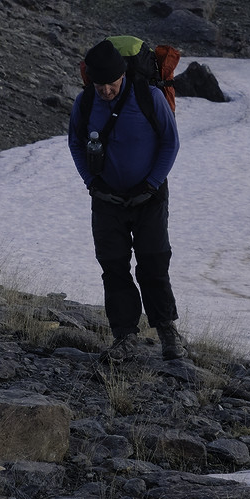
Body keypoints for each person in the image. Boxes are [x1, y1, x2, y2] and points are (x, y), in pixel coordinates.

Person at [68, 37, 183, 361]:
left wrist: (151, 184)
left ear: (123, 76)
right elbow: (76, 144)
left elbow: (170, 143)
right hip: (106, 199)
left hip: (149, 197)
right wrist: (91, 182)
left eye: (112, 83)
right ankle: (124, 337)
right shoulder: (85, 102)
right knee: (113, 266)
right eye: (100, 84)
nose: (106, 90)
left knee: (154, 264)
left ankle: (167, 333)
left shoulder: (150, 97)